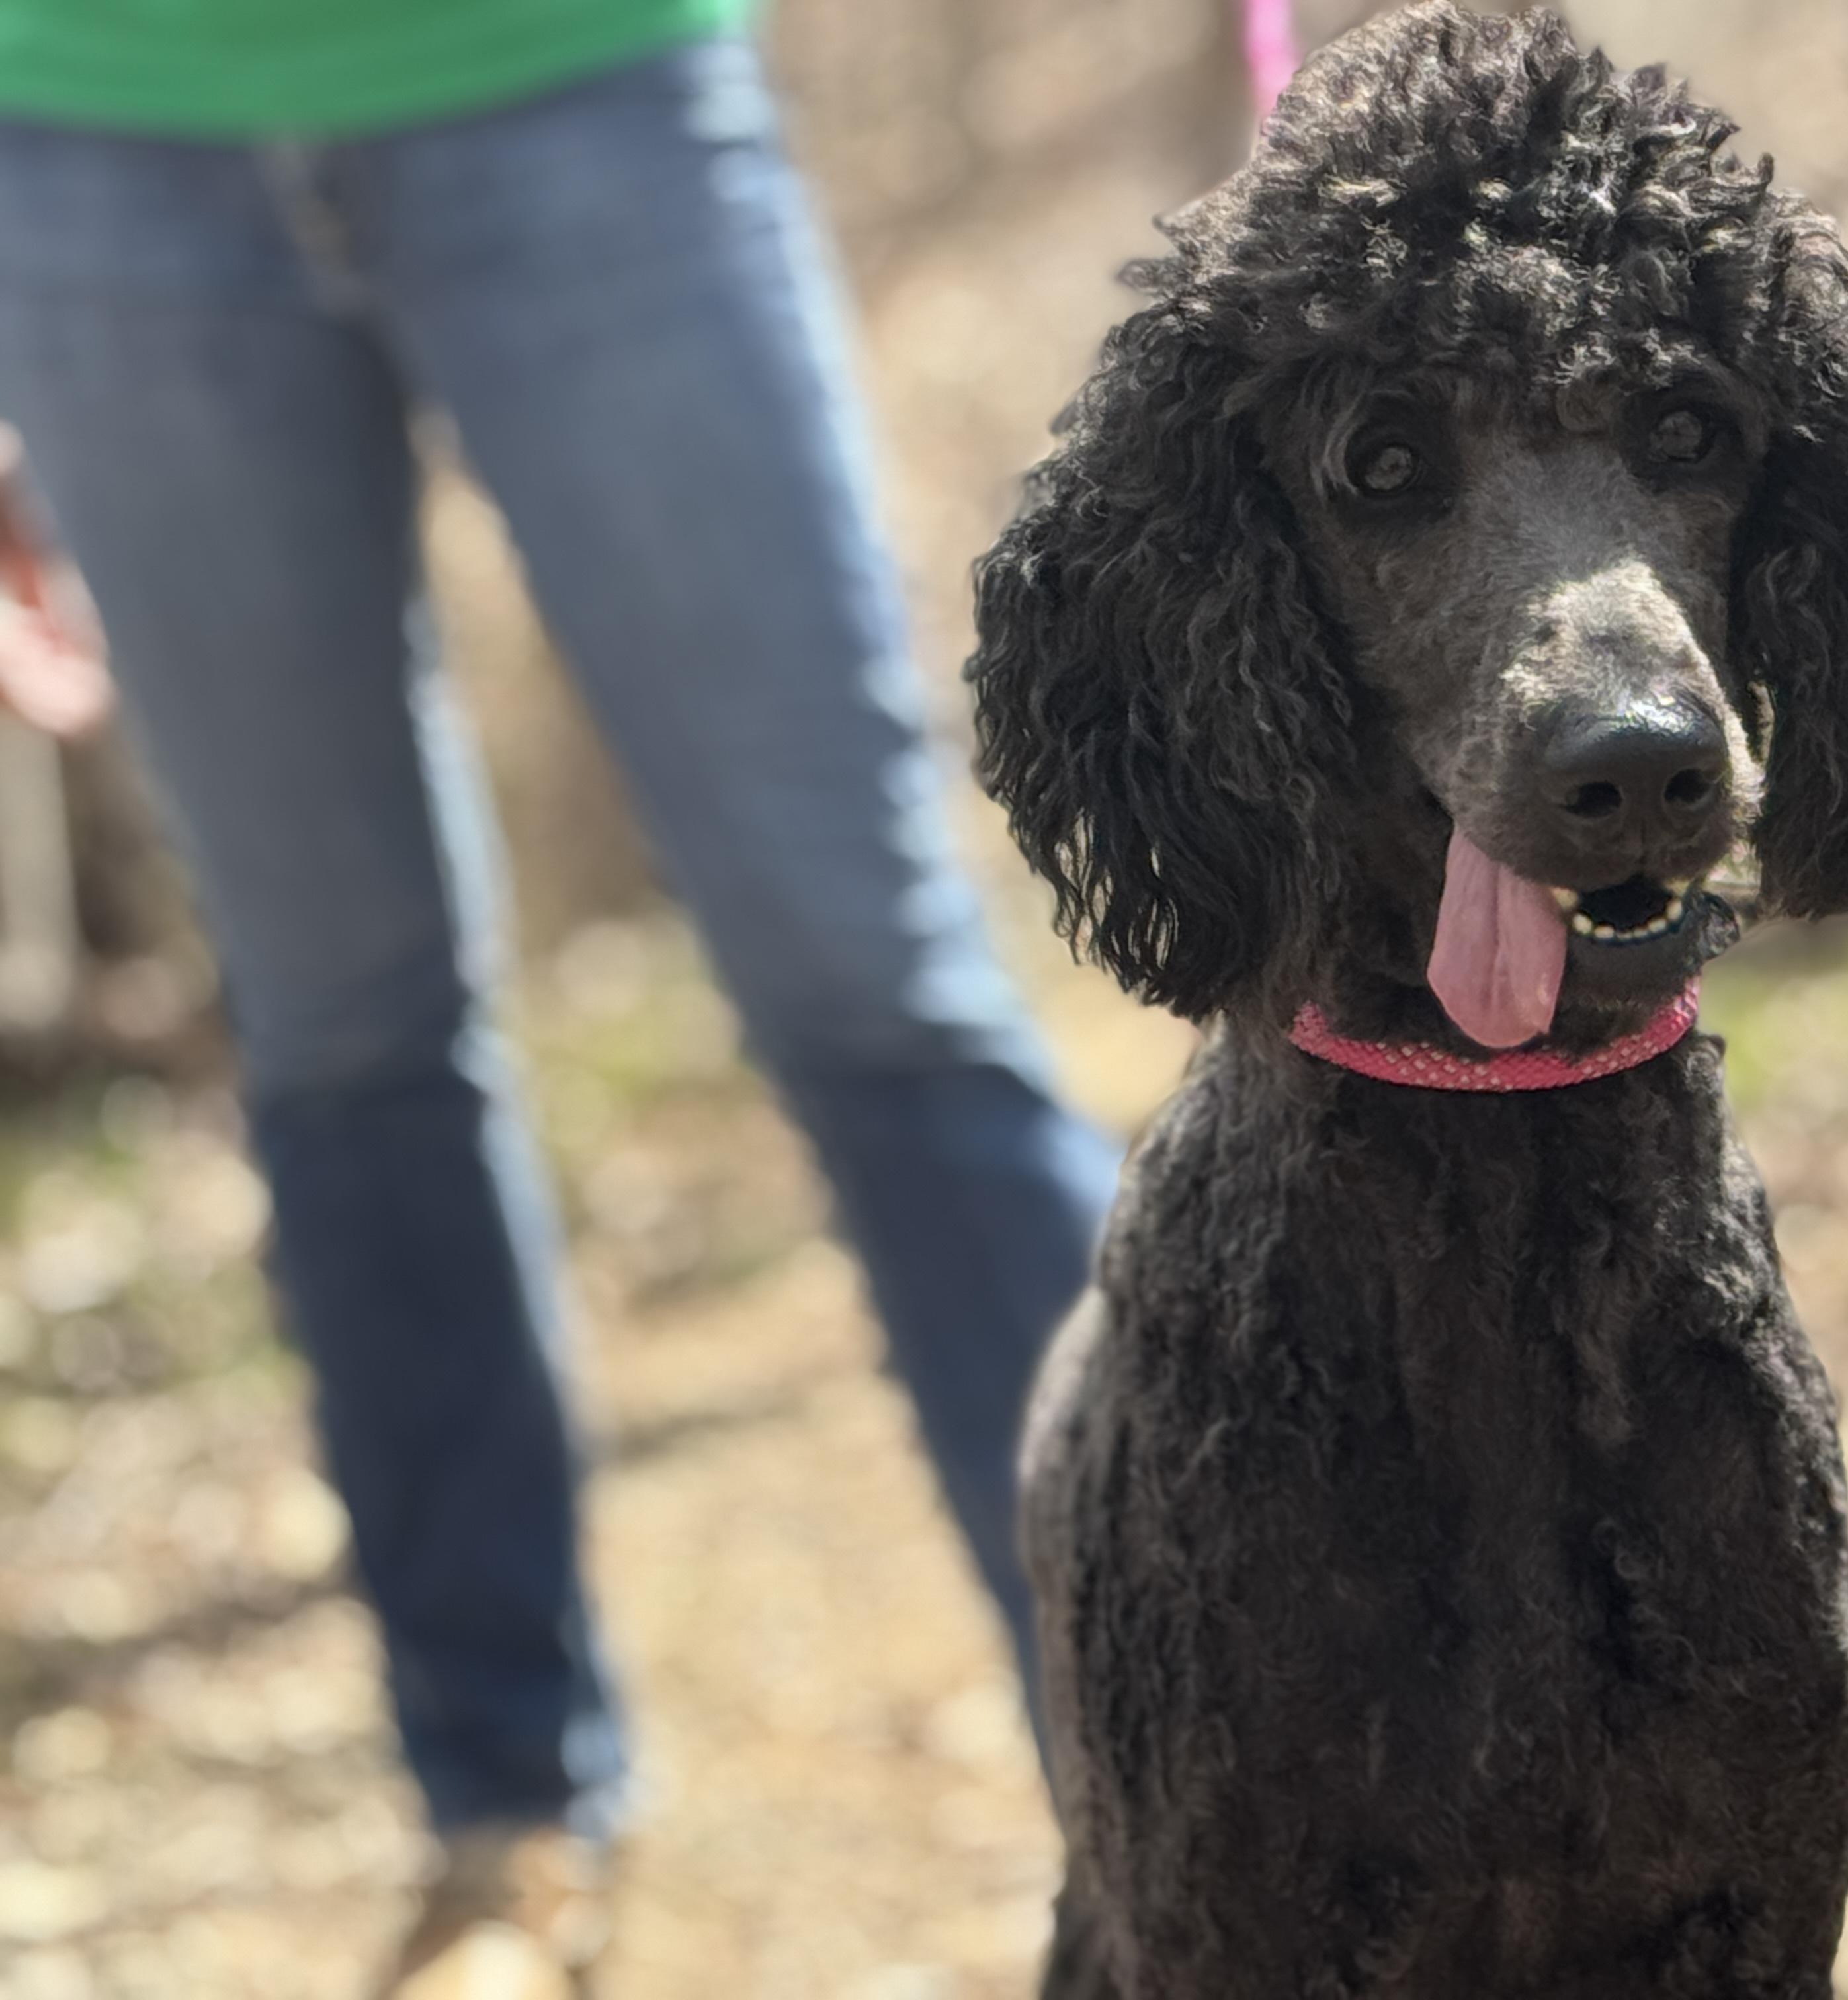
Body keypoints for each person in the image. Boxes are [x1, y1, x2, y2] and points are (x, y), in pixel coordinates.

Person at [0, 7, 1121, 1993]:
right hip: (92, 144)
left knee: (876, 983)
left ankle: (1182, 1722)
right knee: (342, 1035)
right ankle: (509, 1818)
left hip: (578, 83)